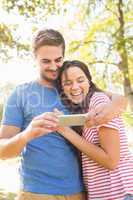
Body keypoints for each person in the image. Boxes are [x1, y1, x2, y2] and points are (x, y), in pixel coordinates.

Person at [0, 29, 127, 200]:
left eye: (58, 60)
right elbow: (2, 150)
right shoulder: (21, 94)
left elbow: (115, 99)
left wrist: (119, 103)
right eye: (46, 61)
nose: (53, 67)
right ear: (34, 59)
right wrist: (27, 134)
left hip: (80, 192)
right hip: (37, 193)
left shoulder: (75, 90)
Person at [55, 60, 133, 200]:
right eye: (68, 83)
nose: (75, 87)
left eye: (80, 80)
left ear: (89, 81)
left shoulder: (99, 101)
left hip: (120, 193)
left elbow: (111, 161)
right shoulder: (83, 108)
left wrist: (64, 130)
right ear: (62, 88)